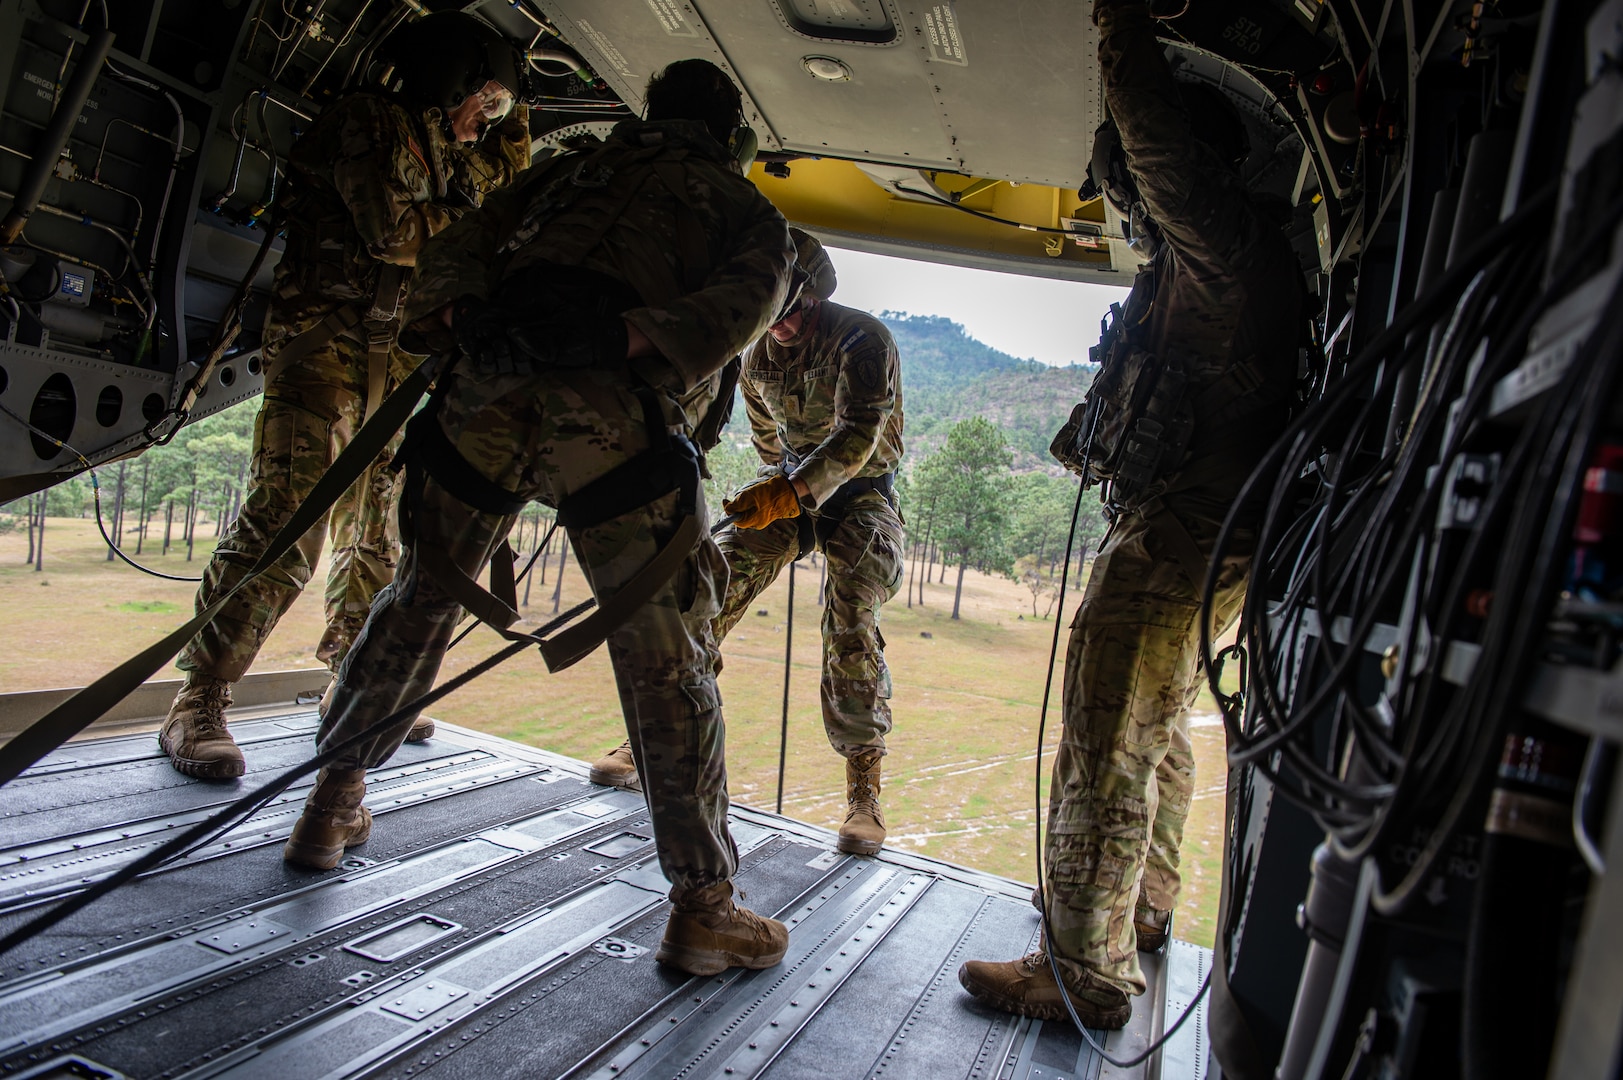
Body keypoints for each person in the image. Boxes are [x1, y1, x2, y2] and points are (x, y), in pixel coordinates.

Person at [280, 58, 797, 979]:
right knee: (665, 656)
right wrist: (616, 339)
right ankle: (703, 909)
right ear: (730, 137)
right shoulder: (744, 209)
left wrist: (470, 320)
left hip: (483, 386)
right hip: (612, 419)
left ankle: (329, 805)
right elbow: (741, 306)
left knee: (416, 601)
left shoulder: (569, 170)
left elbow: (459, 248)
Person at [958, 0, 1302, 1030]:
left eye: (1130, 184)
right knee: (1153, 727)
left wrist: (1121, 30)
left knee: (1105, 731)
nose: (1126, 199)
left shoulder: (1225, 249)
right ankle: (1138, 908)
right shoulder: (1225, 267)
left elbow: (1156, 146)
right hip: (1196, 524)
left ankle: (1084, 972)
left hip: (1184, 531)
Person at [159, 12, 531, 780]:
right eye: (482, 103)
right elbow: (392, 230)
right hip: (321, 353)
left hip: (392, 366)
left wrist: (513, 119)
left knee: (378, 537)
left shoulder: (442, 151)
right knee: (286, 526)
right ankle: (199, 698)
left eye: (494, 111)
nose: (481, 125)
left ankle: (349, 683)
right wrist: (473, 230)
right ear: (450, 83)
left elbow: (503, 182)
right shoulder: (371, 123)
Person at [588, 228, 906, 857]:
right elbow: (766, 438)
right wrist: (773, 494)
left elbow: (859, 438)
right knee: (707, 581)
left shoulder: (863, 339)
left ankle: (864, 790)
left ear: (814, 300)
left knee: (853, 612)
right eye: (773, 313)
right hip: (788, 485)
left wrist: (794, 493)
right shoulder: (757, 353)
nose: (781, 326)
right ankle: (652, 737)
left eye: (792, 313)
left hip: (863, 490)